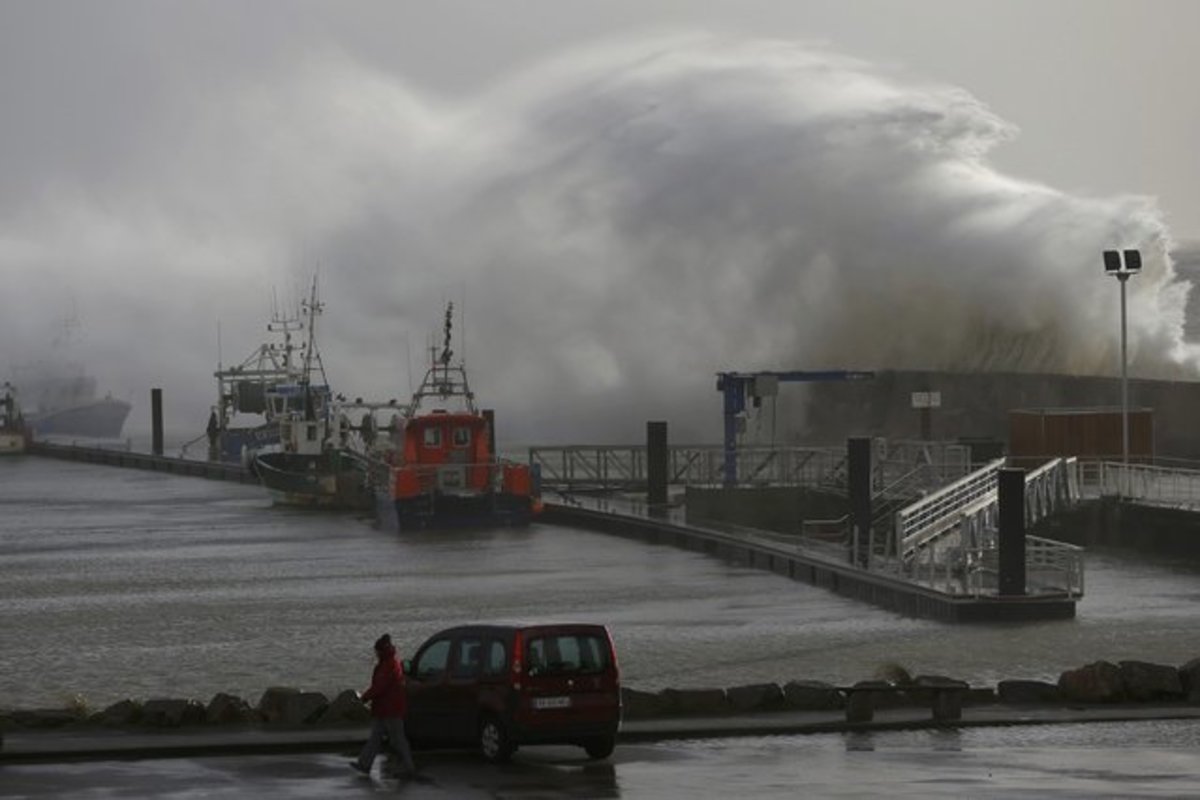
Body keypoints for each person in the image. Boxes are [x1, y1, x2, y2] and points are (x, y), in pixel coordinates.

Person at [351, 633, 417, 777]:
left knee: (398, 740)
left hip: (390, 709)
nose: (375, 653)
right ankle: (364, 764)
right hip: (384, 708)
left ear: (382, 650)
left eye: (377, 650)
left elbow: (379, 686)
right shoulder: (390, 662)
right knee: (376, 737)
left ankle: (408, 766)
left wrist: (364, 698)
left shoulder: (389, 665)